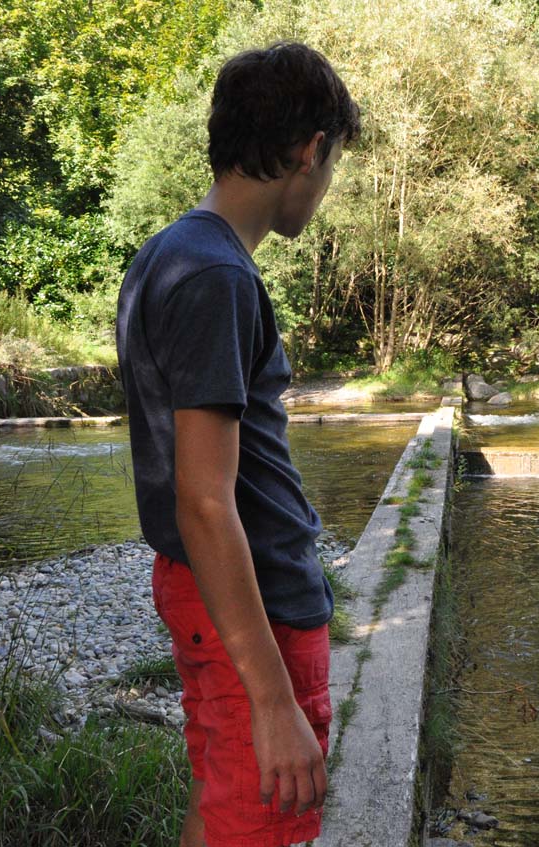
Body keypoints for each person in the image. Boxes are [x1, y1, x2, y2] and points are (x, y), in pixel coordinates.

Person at [116, 42, 360, 847]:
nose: (325, 185)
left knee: (225, 800)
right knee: (259, 816)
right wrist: (273, 699)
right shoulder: (215, 276)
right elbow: (203, 498)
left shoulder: (169, 254)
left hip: (219, 598)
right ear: (310, 150)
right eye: (332, 165)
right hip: (254, 609)